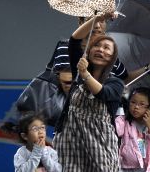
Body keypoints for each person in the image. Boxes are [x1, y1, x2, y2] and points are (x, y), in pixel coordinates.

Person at [52, 13, 124, 171]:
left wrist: (85, 74)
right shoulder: (79, 68)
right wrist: (99, 18)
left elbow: (102, 93)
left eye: (106, 48)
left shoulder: (116, 83)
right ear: (89, 51)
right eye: (97, 46)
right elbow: (74, 40)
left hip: (100, 143)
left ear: (112, 57)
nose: (101, 50)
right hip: (70, 139)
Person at [53, 16, 150, 85]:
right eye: (91, 20)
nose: (97, 25)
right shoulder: (66, 47)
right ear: (81, 23)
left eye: (102, 20)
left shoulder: (109, 56)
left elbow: (125, 79)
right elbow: (66, 82)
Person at [115, 87, 150, 172]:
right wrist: (120, 114)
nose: (136, 107)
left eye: (142, 104)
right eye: (133, 102)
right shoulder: (125, 120)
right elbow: (118, 132)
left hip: (144, 168)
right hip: (124, 166)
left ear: (149, 108)